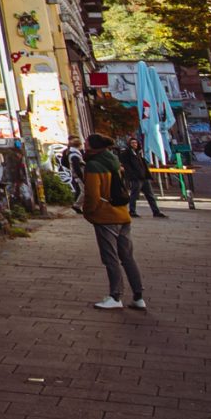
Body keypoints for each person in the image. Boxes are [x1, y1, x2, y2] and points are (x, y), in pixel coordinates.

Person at [81, 132, 146, 310]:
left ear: (93, 146)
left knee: (110, 258)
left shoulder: (94, 165)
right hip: (122, 214)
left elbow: (93, 195)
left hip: (106, 217)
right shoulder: (114, 161)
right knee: (127, 257)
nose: (84, 145)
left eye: (86, 143)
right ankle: (138, 296)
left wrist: (88, 213)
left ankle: (115, 296)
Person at [121, 135, 165, 218]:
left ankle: (156, 211)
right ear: (129, 144)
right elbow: (127, 166)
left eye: (135, 143)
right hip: (136, 178)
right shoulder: (127, 154)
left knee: (150, 195)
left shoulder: (138, 153)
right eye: (132, 143)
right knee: (134, 195)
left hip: (144, 177)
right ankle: (132, 211)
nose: (134, 144)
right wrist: (133, 175)